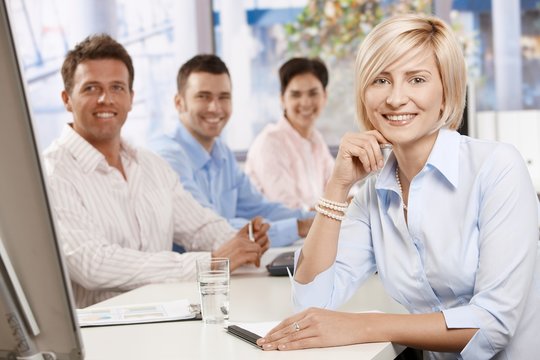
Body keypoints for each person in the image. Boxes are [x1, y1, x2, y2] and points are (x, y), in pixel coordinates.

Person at [256, 14, 540, 359]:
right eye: (381, 80)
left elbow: (493, 323)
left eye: (417, 79)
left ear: (446, 90)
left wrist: (364, 326)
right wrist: (337, 186)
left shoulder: (496, 168)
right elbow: (311, 302)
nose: (395, 98)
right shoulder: (373, 196)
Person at [43, 34, 269, 308]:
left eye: (117, 87)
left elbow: (198, 226)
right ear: (67, 99)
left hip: (167, 316)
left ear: (130, 98)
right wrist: (210, 262)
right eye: (91, 88)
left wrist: (241, 242)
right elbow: (91, 263)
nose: (106, 99)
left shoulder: (150, 165)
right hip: (101, 335)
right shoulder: (53, 173)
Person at [149, 54, 313, 247]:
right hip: (186, 273)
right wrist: (299, 227)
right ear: (179, 103)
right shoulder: (167, 156)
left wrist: (318, 219)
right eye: (203, 97)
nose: (215, 107)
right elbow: (209, 229)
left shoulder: (222, 152)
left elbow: (260, 208)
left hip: (224, 269)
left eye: (224, 97)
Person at [245, 57, 334, 210]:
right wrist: (339, 209)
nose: (305, 102)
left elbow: (339, 187)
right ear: (282, 99)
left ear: (325, 96)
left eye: (313, 94)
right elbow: (290, 210)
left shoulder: (316, 139)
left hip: (315, 230)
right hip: (284, 232)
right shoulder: (270, 143)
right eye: (296, 95)